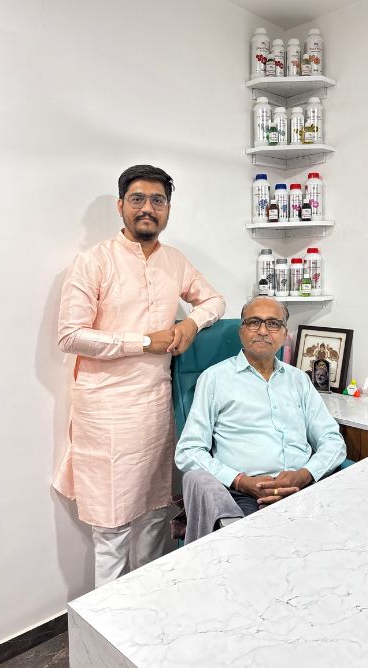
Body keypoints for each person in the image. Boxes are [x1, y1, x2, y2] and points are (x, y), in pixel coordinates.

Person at [54, 164, 226, 585]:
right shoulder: (93, 262)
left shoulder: (174, 261)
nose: (147, 208)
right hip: (106, 409)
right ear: (121, 206)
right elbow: (70, 335)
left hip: (154, 404)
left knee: (154, 515)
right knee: (111, 527)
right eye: (137, 199)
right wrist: (144, 342)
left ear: (167, 209)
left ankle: (147, 605)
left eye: (157, 200)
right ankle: (106, 619)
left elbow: (214, 301)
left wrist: (191, 324)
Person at [174, 296, 346, 543]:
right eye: (254, 322)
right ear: (241, 330)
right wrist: (241, 481)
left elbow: (332, 440)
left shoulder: (298, 379)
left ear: (284, 333)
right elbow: (188, 451)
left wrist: (306, 473)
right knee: (257, 550)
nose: (263, 331)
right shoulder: (215, 379)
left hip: (305, 487)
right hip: (244, 495)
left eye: (273, 324)